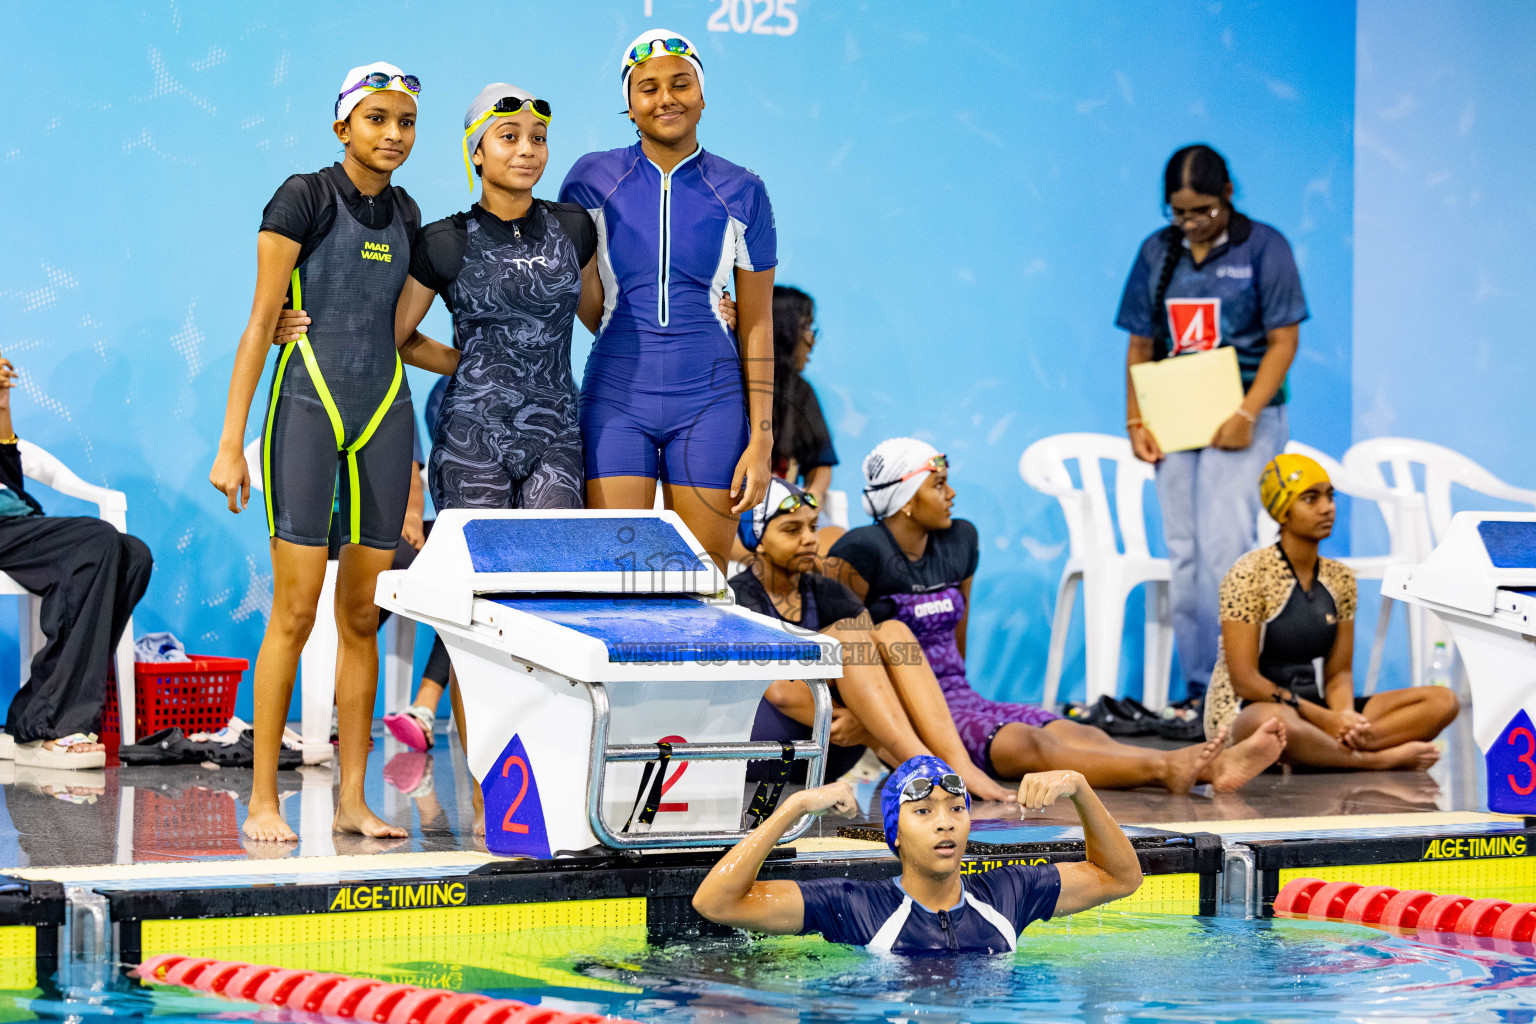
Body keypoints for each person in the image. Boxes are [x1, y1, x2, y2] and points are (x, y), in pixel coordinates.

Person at [207, 63, 456, 842]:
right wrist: (229, 444)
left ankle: (352, 799)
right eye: (377, 119)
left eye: (405, 122)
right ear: (343, 125)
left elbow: (400, 335)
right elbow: (261, 320)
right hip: (308, 407)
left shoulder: (409, 211)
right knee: (295, 611)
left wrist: (469, 360)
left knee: (361, 617)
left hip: (385, 414)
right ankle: (263, 800)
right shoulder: (303, 197)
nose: (393, 135)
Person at [826, 437, 1287, 793]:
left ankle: (1206, 767)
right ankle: (1169, 768)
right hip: (910, 717)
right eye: (938, 484)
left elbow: (957, 640)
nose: (951, 494)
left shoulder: (959, 539)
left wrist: (961, 693)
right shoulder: (861, 553)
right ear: (905, 498)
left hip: (961, 698)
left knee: (1076, 732)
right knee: (1035, 747)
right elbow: (840, 651)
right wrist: (876, 734)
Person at [559, 29, 776, 569]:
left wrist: (763, 440)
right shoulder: (591, 179)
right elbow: (585, 296)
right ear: (629, 104)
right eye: (648, 87)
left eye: (681, 84)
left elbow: (758, 323)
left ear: (702, 96)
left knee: (703, 583)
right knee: (611, 578)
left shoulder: (743, 189)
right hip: (617, 398)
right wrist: (625, 330)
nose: (666, 99)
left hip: (710, 403)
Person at [1116, 144, 1307, 705]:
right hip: (1176, 417)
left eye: (1203, 211)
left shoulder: (1264, 247)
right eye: (1179, 213)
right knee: (1186, 551)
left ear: (1228, 195)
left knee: (1227, 547)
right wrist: (1136, 420)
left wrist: (1247, 413)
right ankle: (1200, 687)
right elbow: (1141, 343)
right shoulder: (1157, 251)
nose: (1192, 223)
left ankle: (1239, 684)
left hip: (1246, 415)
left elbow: (1284, 340)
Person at [733, 478, 1013, 802]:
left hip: (831, 754)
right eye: (792, 530)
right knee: (848, 635)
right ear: (758, 540)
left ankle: (957, 763)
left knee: (893, 632)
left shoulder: (826, 589)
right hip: (769, 753)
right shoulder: (741, 596)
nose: (810, 539)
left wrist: (864, 723)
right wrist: (862, 726)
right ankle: (923, 765)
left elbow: (879, 665)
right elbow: (781, 692)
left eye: (812, 527)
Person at [691, 755, 1141, 951]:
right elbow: (717, 902)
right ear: (896, 836)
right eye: (923, 811)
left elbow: (1121, 877)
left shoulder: (1010, 893)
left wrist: (1080, 789)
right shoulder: (853, 906)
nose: (944, 821)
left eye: (956, 808)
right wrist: (794, 807)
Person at [1208, 454, 1457, 770]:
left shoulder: (1340, 579)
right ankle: (1376, 761)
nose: (1327, 508)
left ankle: (1337, 751)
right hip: (1255, 710)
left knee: (1441, 701)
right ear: (1282, 511)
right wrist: (1324, 718)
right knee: (1275, 723)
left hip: (1318, 711)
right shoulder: (1248, 574)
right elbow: (1244, 680)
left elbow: (1338, 673)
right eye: (1310, 499)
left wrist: (1343, 719)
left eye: (1329, 496)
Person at [0, 353, 152, 769]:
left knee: (134, 555)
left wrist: (1, 400)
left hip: (16, 523)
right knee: (97, 539)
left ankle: (34, 716)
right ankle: (52, 724)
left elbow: (9, 475)